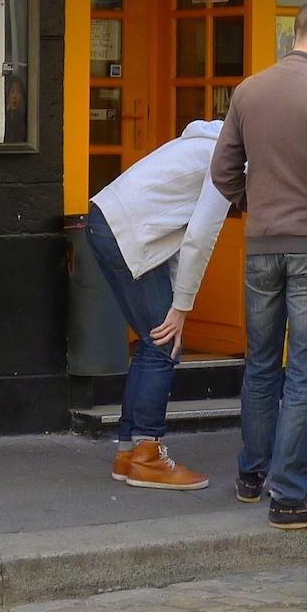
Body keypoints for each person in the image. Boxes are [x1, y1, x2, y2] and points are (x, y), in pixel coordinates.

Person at [210, 0, 307, 530]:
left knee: (260, 364)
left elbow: (222, 171)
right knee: (303, 373)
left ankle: (251, 476)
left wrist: (254, 205)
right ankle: (290, 496)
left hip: (262, 245)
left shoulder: (248, 91)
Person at [86, 119, 234, 490]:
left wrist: (176, 301)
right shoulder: (230, 158)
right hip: (126, 232)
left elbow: (178, 235)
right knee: (164, 342)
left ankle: (128, 453)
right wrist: (180, 307)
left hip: (106, 220)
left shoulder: (208, 142)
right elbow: (200, 236)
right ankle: (147, 457)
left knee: (155, 339)